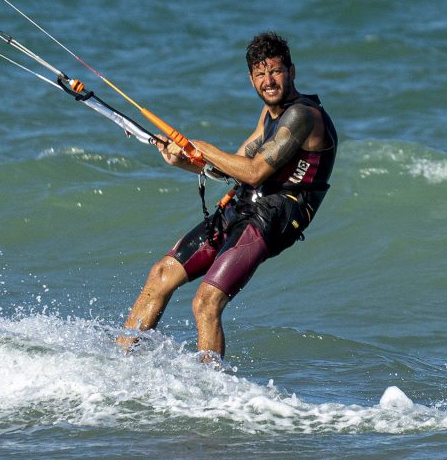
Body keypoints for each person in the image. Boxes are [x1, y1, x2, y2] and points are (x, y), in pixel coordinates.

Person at [116, 31, 337, 360]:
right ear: (251, 79)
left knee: (206, 302)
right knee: (161, 274)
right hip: (244, 203)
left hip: (276, 216)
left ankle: (211, 392)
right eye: (260, 74)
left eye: (275, 71)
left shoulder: (303, 116)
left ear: (292, 71)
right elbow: (230, 171)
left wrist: (203, 147)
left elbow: (255, 171)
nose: (269, 80)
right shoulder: (269, 117)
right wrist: (184, 162)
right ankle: (120, 361)